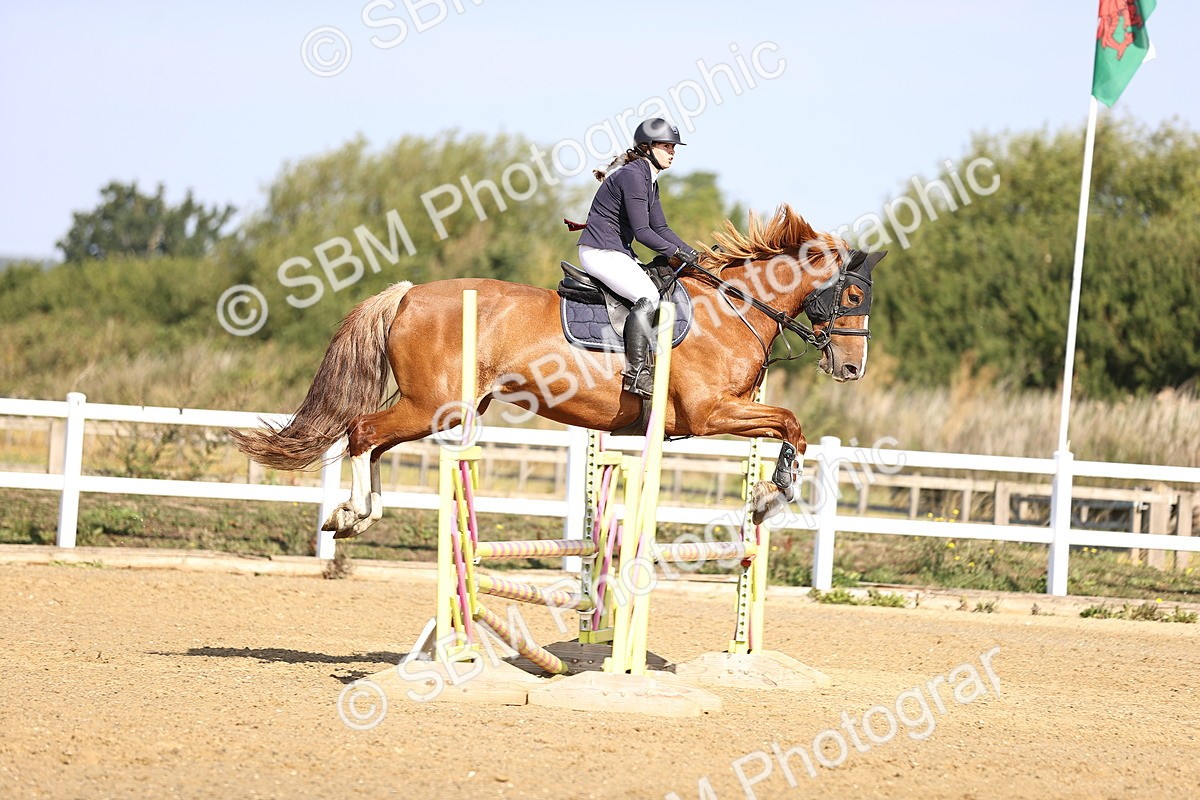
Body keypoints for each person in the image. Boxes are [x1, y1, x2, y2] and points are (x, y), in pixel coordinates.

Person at [577, 118, 700, 398]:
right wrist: (675, 253)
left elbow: (661, 228)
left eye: (673, 147)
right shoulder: (634, 175)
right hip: (600, 251)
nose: (672, 152)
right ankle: (635, 374)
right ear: (647, 147)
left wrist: (694, 255)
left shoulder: (649, 179)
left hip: (615, 251)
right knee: (649, 296)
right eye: (666, 146)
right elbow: (643, 232)